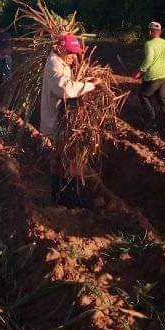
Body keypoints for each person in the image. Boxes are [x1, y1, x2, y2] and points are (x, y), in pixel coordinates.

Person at [40, 34, 97, 203]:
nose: (74, 57)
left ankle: (59, 197)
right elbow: (65, 89)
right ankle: (68, 200)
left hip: (60, 121)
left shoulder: (60, 62)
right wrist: (91, 85)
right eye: (71, 53)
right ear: (61, 49)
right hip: (57, 123)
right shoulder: (54, 65)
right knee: (67, 160)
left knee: (60, 159)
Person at [133, 21, 165, 130]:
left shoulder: (149, 44)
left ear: (150, 31)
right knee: (163, 99)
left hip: (152, 77)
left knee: (144, 95)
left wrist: (140, 71)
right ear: (160, 32)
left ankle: (152, 119)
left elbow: (149, 59)